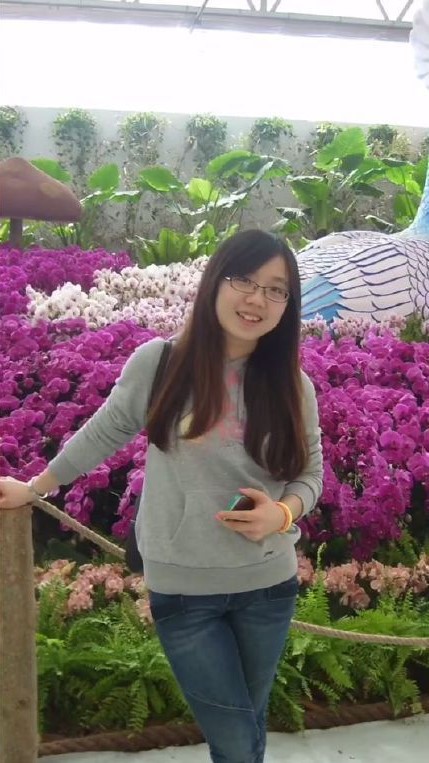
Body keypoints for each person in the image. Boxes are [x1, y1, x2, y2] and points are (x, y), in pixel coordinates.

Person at [0, 229, 323, 763]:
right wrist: (36, 487)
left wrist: (283, 514)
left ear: (287, 305)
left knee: (247, 724)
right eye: (244, 280)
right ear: (215, 281)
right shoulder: (160, 363)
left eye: (276, 289)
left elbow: (310, 475)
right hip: (184, 591)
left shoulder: (293, 384)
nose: (257, 299)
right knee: (236, 737)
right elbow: (104, 431)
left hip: (267, 587)